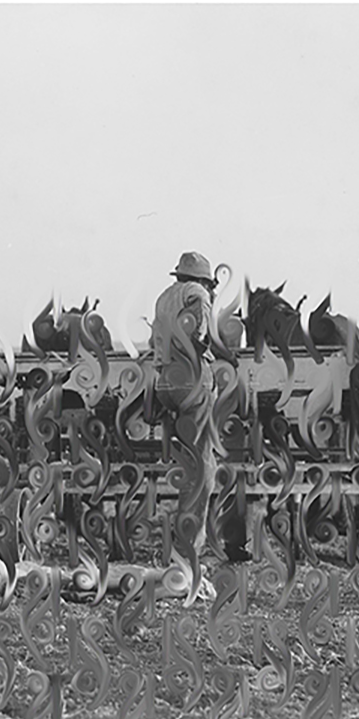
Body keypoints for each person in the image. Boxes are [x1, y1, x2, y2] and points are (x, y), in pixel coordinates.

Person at [150, 251, 221, 601]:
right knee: (203, 472)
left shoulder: (165, 297)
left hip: (165, 384)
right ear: (206, 280)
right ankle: (187, 560)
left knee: (188, 469)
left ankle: (180, 555)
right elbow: (199, 333)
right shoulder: (198, 295)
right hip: (192, 381)